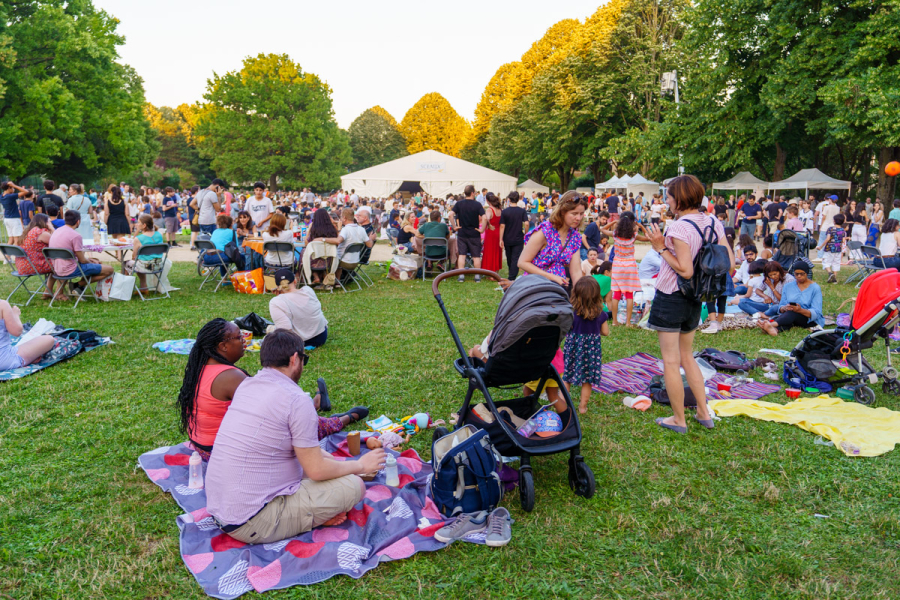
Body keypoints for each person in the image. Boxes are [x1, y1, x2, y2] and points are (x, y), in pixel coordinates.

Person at [205, 329, 385, 544]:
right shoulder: (296, 399)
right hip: (251, 521)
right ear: (294, 359)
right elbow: (316, 470)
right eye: (304, 359)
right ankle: (310, 518)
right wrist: (360, 466)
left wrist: (343, 464)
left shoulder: (247, 385)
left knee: (327, 466)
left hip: (222, 509)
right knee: (354, 486)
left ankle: (307, 514)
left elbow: (306, 455)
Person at [645, 174, 733, 434]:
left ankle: (678, 419)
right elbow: (729, 260)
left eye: (669, 197)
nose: (667, 202)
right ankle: (704, 413)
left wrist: (661, 248)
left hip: (673, 296)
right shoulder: (713, 221)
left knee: (671, 362)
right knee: (688, 357)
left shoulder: (678, 227)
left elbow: (684, 270)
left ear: (679, 199)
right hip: (698, 297)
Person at [562, 277, 610, 414]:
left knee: (567, 377)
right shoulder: (601, 314)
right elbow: (605, 332)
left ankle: (562, 405)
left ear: (575, 294)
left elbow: (565, 329)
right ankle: (582, 407)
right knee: (587, 380)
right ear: (596, 295)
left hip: (573, 348)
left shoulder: (570, 312)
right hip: (591, 350)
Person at [518, 191, 585, 289]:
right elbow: (522, 262)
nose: (578, 218)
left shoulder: (575, 237)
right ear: (562, 212)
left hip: (557, 291)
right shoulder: (545, 231)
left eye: (581, 214)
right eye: (574, 213)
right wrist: (551, 277)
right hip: (535, 287)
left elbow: (576, 272)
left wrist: (579, 295)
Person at [48, 210, 115, 290]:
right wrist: (92, 262)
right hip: (71, 269)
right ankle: (77, 285)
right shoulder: (76, 235)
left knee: (92, 263)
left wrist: (90, 260)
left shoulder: (56, 231)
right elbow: (82, 260)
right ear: (78, 221)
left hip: (56, 268)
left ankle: (71, 289)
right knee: (109, 269)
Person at [601, 212, 648, 327]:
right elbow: (648, 238)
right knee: (629, 294)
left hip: (617, 265)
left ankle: (615, 322)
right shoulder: (634, 235)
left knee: (616, 293)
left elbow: (603, 229)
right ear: (632, 222)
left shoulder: (615, 234)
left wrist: (613, 222)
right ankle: (628, 322)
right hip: (630, 265)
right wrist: (641, 226)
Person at [757, 261, 823, 335]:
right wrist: (784, 308)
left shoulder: (815, 288)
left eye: (802, 274)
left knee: (792, 313)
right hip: (790, 316)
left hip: (808, 319)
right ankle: (775, 330)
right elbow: (781, 305)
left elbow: (817, 312)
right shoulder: (788, 286)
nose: (799, 276)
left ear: (807, 273)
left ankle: (771, 325)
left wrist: (800, 310)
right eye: (796, 274)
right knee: (788, 316)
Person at [269, 269, 329, 348]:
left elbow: (285, 329)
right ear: (295, 281)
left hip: (299, 342)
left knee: (271, 330)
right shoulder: (308, 290)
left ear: (277, 287)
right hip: (321, 336)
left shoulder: (276, 302)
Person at [0, 300, 56, 370]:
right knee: (49, 339)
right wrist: (15, 315)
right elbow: (17, 332)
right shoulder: (2, 305)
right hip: (4, 360)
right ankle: (29, 358)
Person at [321, 208, 375, 279]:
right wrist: (370, 238)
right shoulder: (361, 229)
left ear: (344, 218)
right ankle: (338, 280)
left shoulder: (345, 230)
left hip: (344, 262)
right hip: (355, 262)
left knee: (327, 258)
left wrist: (323, 239)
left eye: (340, 217)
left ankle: (327, 280)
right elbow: (370, 244)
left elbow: (338, 241)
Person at [16, 214, 58, 300]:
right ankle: (58, 292)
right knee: (61, 265)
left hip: (22, 266)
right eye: (49, 221)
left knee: (55, 264)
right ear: (44, 222)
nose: (51, 223)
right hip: (33, 266)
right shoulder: (40, 232)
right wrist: (52, 228)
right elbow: (58, 242)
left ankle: (48, 291)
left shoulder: (28, 231)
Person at [449, 185, 486, 282]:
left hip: (462, 233)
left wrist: (454, 227)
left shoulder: (459, 203)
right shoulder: (477, 204)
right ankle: (477, 276)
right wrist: (482, 230)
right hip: (474, 233)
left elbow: (450, 214)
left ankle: (461, 276)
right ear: (473, 193)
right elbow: (485, 217)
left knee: (462, 255)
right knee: (476, 256)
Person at [127, 214, 165, 294]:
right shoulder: (159, 234)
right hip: (158, 265)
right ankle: (143, 288)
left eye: (138, 222)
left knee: (126, 264)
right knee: (140, 262)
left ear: (144, 225)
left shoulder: (138, 239)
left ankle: (125, 289)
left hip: (145, 266)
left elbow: (134, 256)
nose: (137, 224)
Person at [498, 192, 528, 279]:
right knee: (516, 257)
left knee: (509, 256)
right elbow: (526, 223)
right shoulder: (522, 211)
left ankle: (511, 275)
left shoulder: (505, 211)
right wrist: (526, 234)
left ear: (509, 199)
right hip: (518, 237)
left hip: (507, 237)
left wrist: (501, 239)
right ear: (518, 199)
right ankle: (512, 276)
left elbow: (502, 226)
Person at [816, 213, 846, 284]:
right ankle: (834, 280)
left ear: (834, 221)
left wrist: (820, 247)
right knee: (836, 263)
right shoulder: (843, 230)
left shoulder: (830, 229)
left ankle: (830, 273)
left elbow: (827, 239)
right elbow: (843, 241)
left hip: (829, 248)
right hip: (838, 249)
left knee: (825, 261)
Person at [481, 192, 503, 273]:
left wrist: (488, 225)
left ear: (487, 200)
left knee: (490, 251)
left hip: (491, 232)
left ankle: (490, 272)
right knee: (497, 251)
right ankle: (496, 271)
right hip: (498, 232)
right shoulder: (499, 209)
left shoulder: (489, 209)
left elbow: (486, 219)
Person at [815, 195, 841, 259]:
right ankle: (827, 256)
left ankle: (820, 256)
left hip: (825, 226)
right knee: (830, 241)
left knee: (822, 240)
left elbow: (824, 217)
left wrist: (821, 226)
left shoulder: (827, 207)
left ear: (830, 200)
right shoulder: (838, 208)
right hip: (833, 226)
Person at [1, 181, 27, 245]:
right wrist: (14, 185)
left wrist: (12, 186)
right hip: (14, 219)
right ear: (9, 188)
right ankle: (17, 255)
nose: (14, 189)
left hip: (7, 219)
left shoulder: (1, 196)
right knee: (17, 240)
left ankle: (7, 255)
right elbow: (26, 191)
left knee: (11, 239)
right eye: (12, 188)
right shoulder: (10, 196)